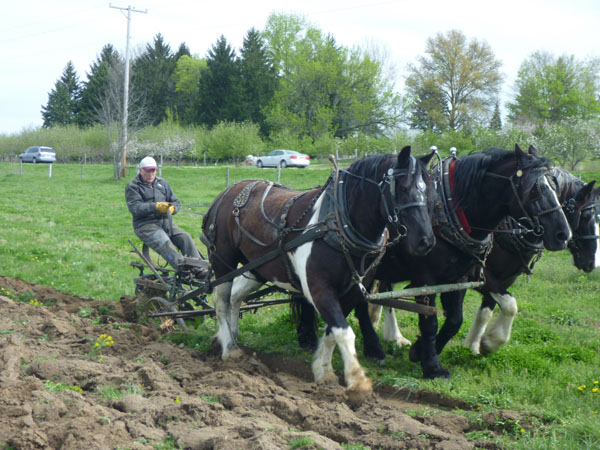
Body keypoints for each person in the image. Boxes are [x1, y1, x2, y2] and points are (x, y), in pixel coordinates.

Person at [125, 156, 202, 272]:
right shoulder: (133, 187)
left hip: (165, 223)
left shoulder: (163, 184)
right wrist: (155, 206)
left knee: (185, 238)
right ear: (140, 170)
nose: (151, 174)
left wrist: (172, 209)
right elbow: (135, 208)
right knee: (164, 241)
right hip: (145, 225)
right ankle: (183, 269)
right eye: (147, 171)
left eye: (153, 171)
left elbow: (176, 202)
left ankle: (199, 269)